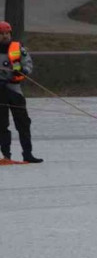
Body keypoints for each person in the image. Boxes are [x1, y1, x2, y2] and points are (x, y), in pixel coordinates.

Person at [1, 22, 43, 164]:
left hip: (15, 90)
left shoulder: (18, 48)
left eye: (7, 33)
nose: (4, 36)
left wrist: (24, 71)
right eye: (1, 34)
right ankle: (6, 155)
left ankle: (28, 154)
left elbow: (27, 63)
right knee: (2, 124)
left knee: (23, 122)